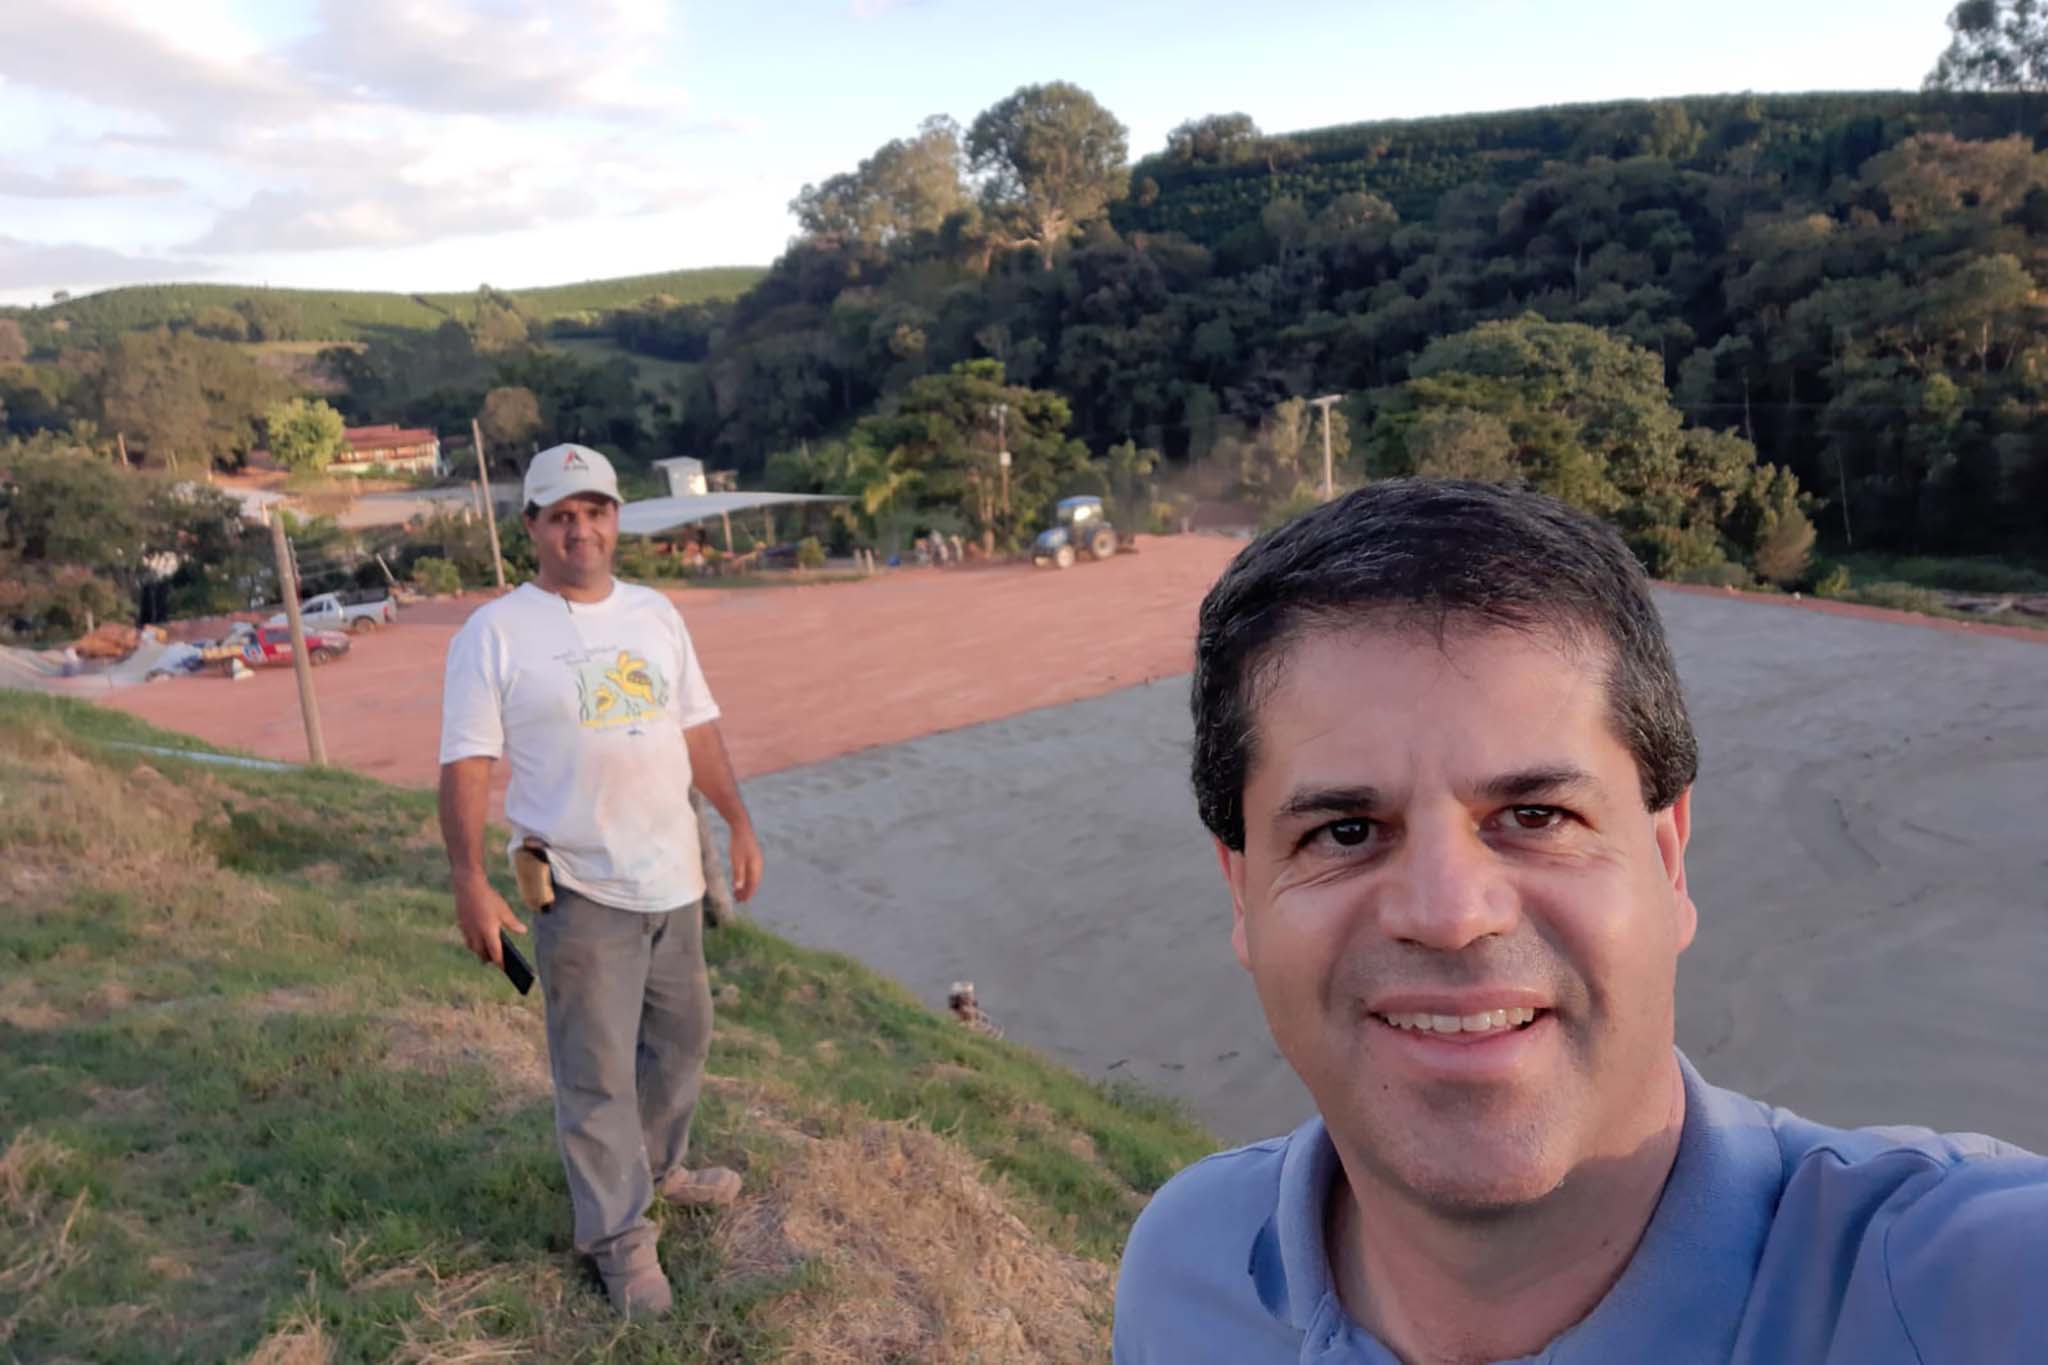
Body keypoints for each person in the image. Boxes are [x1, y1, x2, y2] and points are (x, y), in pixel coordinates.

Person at [1114, 480, 2046, 1363]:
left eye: (1535, 816)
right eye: (1345, 830)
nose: (1448, 915)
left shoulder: (1971, 1287)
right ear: (1243, 893)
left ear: (1669, 857)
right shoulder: (1187, 1268)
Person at [437, 442, 765, 1319]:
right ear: (533, 527)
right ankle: (620, 1243)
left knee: (684, 1041)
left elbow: (697, 728)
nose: (581, 528)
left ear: (617, 518)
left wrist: (736, 819)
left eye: (596, 510)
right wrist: (469, 878)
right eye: (561, 515)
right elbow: (467, 762)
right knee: (595, 1077)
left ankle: (658, 1169)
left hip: (673, 881)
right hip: (579, 892)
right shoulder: (495, 632)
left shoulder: (655, 613)